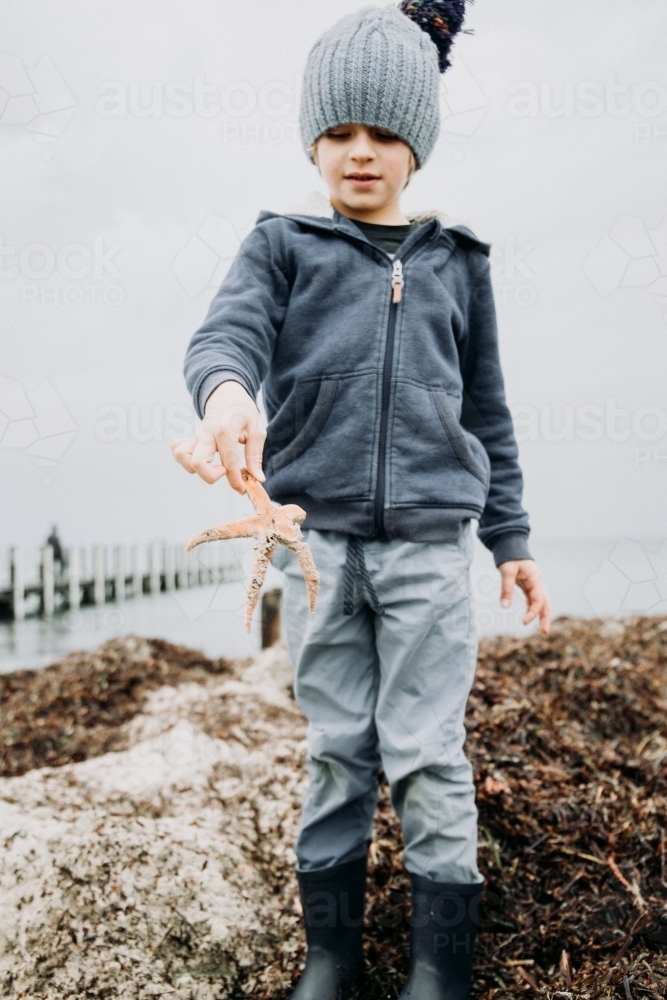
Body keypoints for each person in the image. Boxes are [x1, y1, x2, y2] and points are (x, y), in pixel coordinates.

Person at [172, 3, 551, 997]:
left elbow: (489, 411)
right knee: (336, 749)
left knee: (428, 752)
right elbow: (225, 340)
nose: (360, 152)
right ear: (312, 137)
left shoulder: (458, 262)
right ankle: (331, 958)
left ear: (417, 141)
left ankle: (439, 968)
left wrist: (508, 537)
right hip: (313, 547)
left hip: (430, 548)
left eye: (383, 132)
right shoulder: (281, 243)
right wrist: (227, 399)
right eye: (338, 131)